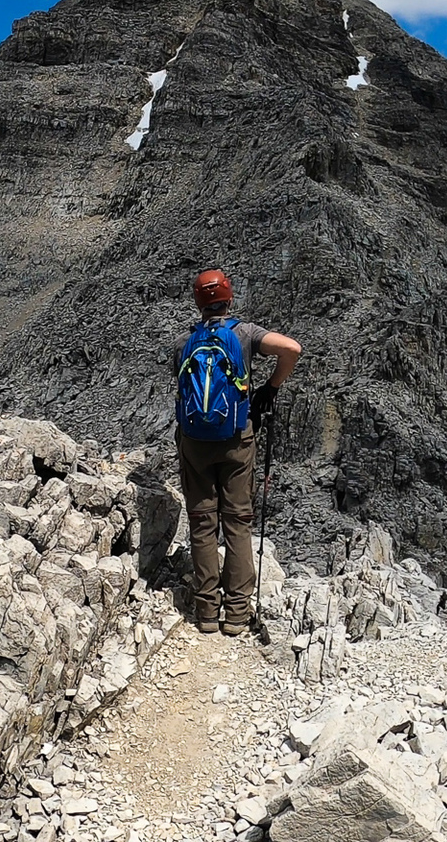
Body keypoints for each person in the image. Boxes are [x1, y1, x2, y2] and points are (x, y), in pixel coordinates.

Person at [172, 268, 301, 636]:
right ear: (229, 298)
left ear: (198, 302)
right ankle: (238, 615)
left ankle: (207, 614)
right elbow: (292, 349)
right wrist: (269, 389)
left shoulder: (184, 343)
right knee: (238, 523)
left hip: (195, 442)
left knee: (202, 523)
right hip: (236, 439)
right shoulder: (244, 334)